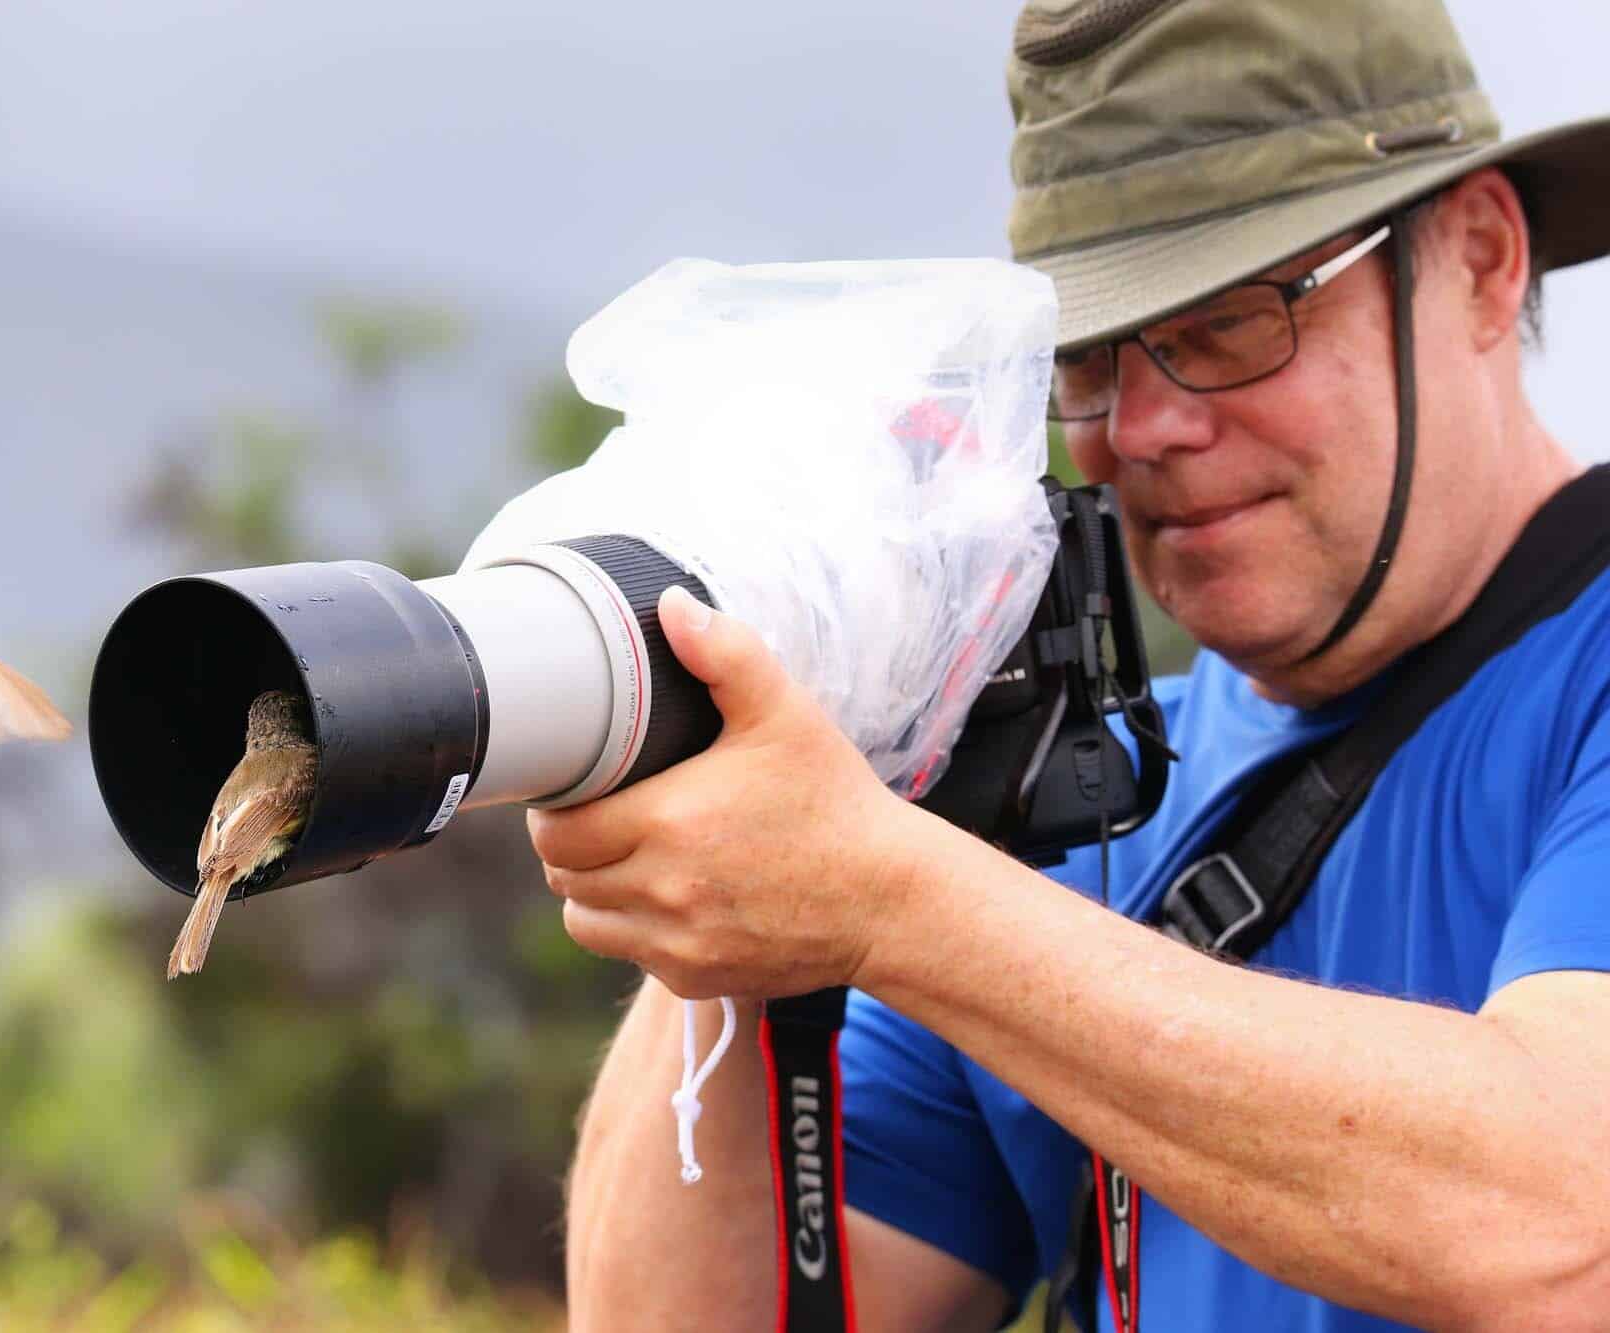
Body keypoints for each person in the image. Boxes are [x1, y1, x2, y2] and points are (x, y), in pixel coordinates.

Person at [544, 0, 1610, 1328]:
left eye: (1232, 321)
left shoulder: (946, 899)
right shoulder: (1064, 804)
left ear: (1486, 260)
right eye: (1089, 356)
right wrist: (745, 785)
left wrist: (884, 895)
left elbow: (1565, 1224)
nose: (1145, 425)